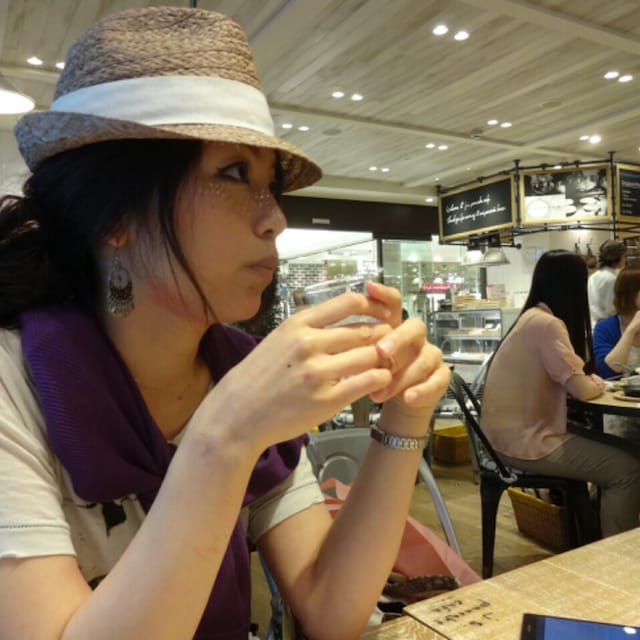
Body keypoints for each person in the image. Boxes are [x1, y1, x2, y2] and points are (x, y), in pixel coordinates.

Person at [0, 8, 450, 640]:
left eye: (272, 185)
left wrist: (404, 419)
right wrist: (226, 435)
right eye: (234, 174)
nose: (276, 220)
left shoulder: (237, 371)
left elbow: (332, 608)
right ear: (113, 216)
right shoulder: (17, 385)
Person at [480, 250, 640, 537]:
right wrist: (594, 383)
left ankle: (596, 533)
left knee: (629, 452)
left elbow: (571, 381)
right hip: (526, 442)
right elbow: (582, 390)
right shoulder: (548, 325)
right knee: (626, 469)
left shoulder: (532, 317)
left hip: (506, 437)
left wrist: (587, 382)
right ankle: (615, 553)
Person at [592, 267, 640, 445]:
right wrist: (631, 330)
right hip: (619, 411)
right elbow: (607, 371)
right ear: (629, 294)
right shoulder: (606, 328)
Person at [588, 239, 626, 325]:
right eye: (624, 256)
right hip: (608, 325)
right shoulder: (611, 279)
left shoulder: (593, 276)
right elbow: (612, 309)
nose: (625, 259)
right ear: (617, 257)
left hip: (594, 323)